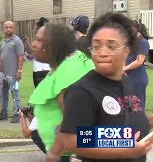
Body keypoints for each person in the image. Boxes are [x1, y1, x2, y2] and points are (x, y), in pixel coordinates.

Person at [60, 12, 152, 161]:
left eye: (111, 46)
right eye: (96, 46)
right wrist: (123, 148)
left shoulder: (125, 80)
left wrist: (148, 121)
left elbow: (120, 120)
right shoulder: (82, 91)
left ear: (126, 50)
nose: (102, 52)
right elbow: (72, 140)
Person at [29, 23, 94, 161]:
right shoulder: (68, 64)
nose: (34, 44)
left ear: (55, 45)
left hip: (68, 153)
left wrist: (54, 153)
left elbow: (72, 119)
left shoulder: (68, 71)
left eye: (40, 40)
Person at [0, 21, 24, 123]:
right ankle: (4, 112)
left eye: (10, 27)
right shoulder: (2, 42)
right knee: (4, 94)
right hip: (3, 73)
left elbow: (20, 57)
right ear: (4, 28)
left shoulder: (17, 41)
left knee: (15, 93)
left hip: (13, 74)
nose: (8, 29)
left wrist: (19, 71)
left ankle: (17, 113)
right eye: (6, 27)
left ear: (14, 29)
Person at [123, 20, 149, 109]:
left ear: (135, 29)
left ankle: (140, 122)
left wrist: (124, 69)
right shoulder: (130, 42)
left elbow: (139, 61)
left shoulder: (143, 42)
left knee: (138, 105)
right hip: (127, 76)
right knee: (127, 104)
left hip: (138, 78)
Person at [24, 17, 51, 87]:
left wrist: (28, 43)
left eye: (35, 28)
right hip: (43, 70)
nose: (34, 29)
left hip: (41, 70)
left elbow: (34, 52)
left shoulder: (41, 41)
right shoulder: (48, 39)